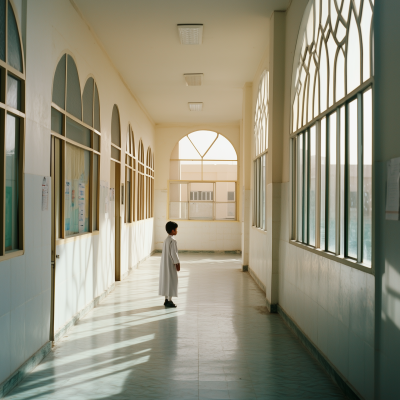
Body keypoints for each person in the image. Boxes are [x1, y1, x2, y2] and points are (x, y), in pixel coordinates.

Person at [159, 221, 180, 308]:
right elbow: (173, 254)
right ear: (172, 230)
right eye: (176, 229)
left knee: (166, 281)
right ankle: (169, 300)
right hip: (170, 264)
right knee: (171, 281)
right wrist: (177, 263)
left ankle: (166, 299)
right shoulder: (173, 241)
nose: (177, 231)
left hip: (165, 264)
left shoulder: (166, 240)